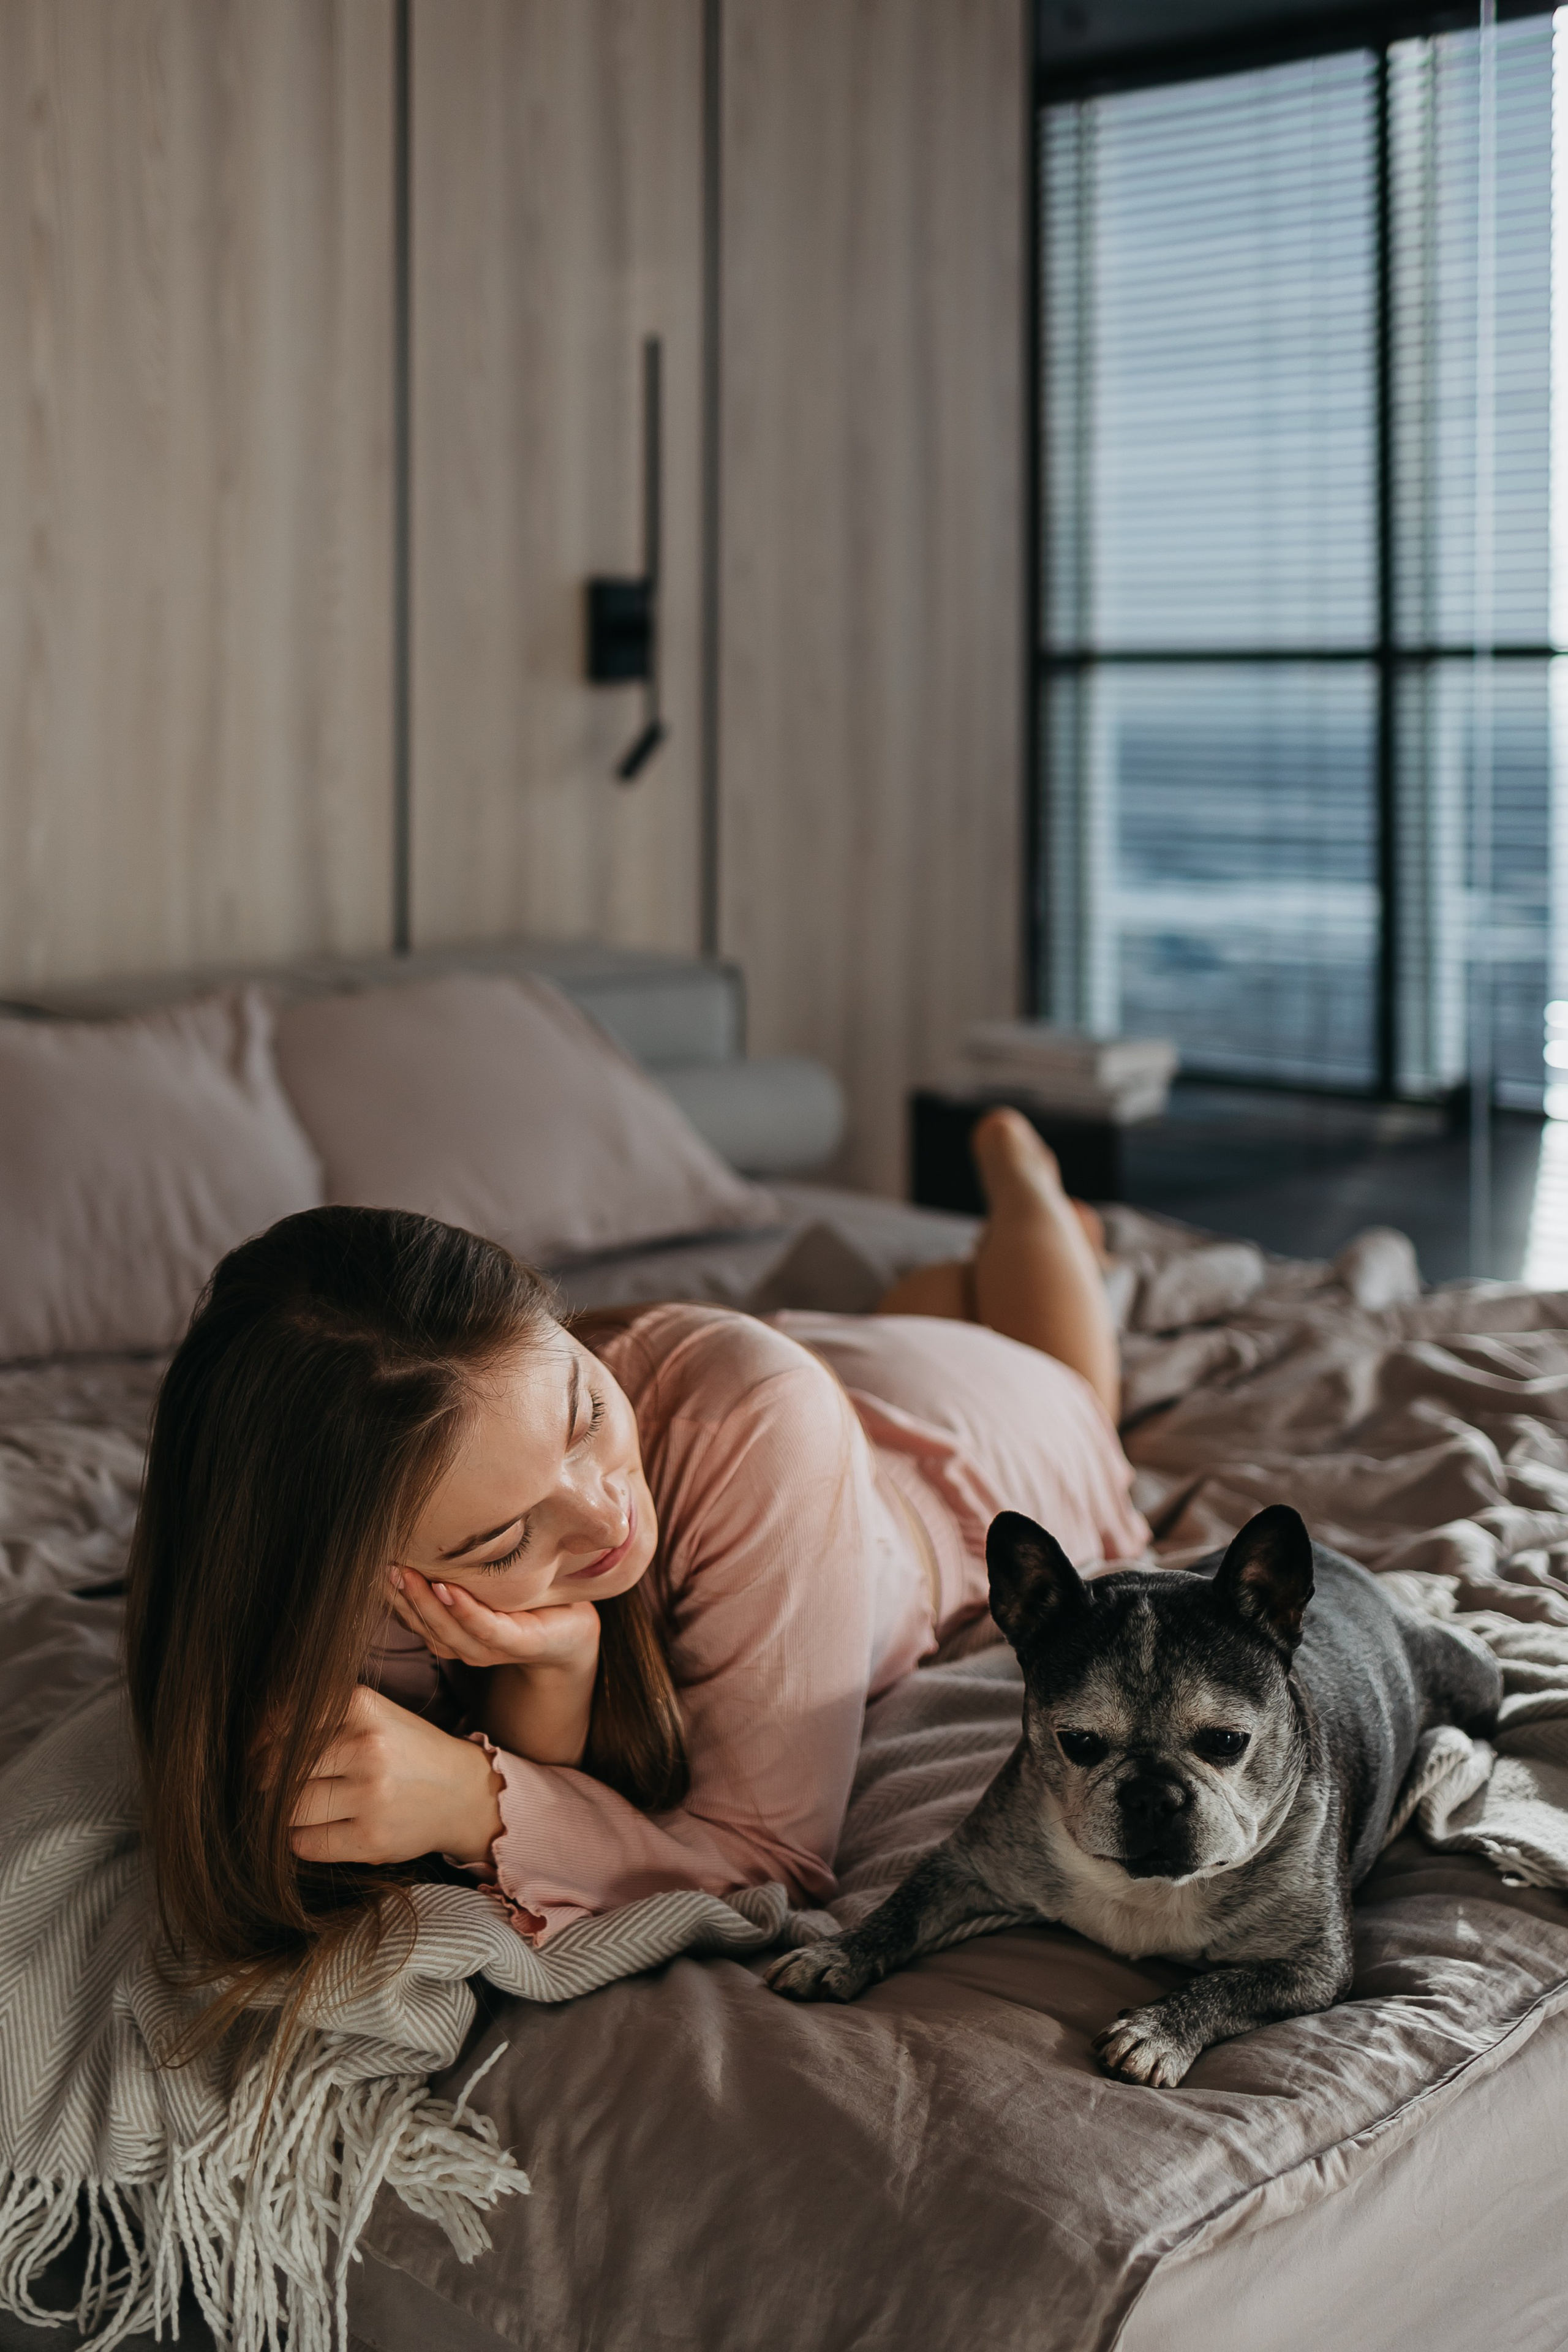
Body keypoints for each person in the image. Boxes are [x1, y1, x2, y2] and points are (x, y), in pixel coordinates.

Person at [125, 1109, 1147, 2018]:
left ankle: (1023, 1179)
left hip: (927, 1462)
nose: (605, 1512)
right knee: (924, 1308)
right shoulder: (311, 1556)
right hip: (804, 1397)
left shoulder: (747, 1418)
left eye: (585, 1413)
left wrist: (476, 1801)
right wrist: (552, 1676)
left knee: (1077, 1391)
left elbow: (772, 1859)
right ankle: (939, 1292)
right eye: (502, 1540)